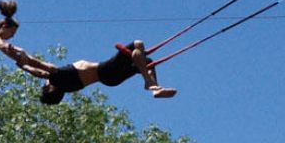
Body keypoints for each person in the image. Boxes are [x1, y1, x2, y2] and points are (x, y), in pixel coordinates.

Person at [17, 40, 177, 104]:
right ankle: (150, 84)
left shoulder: (67, 87)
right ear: (51, 88)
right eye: (44, 87)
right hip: (106, 70)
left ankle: (151, 85)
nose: (44, 85)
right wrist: (25, 60)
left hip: (110, 79)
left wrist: (23, 65)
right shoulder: (58, 76)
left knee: (146, 62)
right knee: (137, 44)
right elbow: (39, 68)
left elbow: (38, 72)